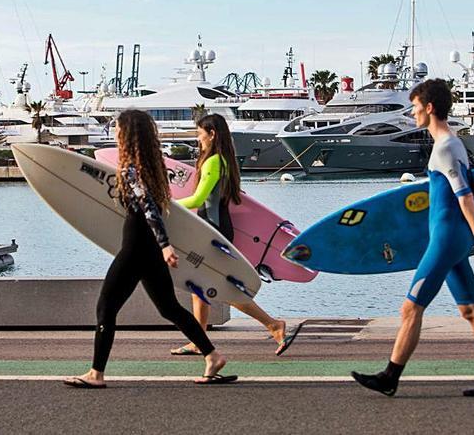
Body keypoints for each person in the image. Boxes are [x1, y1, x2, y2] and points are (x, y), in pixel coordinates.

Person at [351, 79, 474, 397]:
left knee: (410, 309)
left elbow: (465, 196)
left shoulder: (447, 147)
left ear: (430, 107)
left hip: (448, 240)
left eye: (415, 107)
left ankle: (390, 376)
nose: (412, 114)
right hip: (450, 239)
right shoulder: (450, 144)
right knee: (470, 310)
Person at [64, 110, 235, 388]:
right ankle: (212, 355)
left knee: (106, 306)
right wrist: (161, 246)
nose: (115, 133)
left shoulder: (132, 168)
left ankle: (96, 373)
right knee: (168, 308)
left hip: (136, 247)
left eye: (118, 129)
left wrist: (166, 245)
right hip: (148, 247)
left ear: (128, 134)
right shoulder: (152, 166)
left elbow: (149, 208)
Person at [169, 114, 300, 357]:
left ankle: (273, 325)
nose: (198, 140)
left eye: (200, 134)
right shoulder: (225, 161)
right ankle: (199, 339)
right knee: (199, 286)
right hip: (214, 228)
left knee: (220, 288)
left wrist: (166, 203)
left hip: (212, 231)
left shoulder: (213, 162)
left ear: (212, 134)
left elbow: (198, 199)